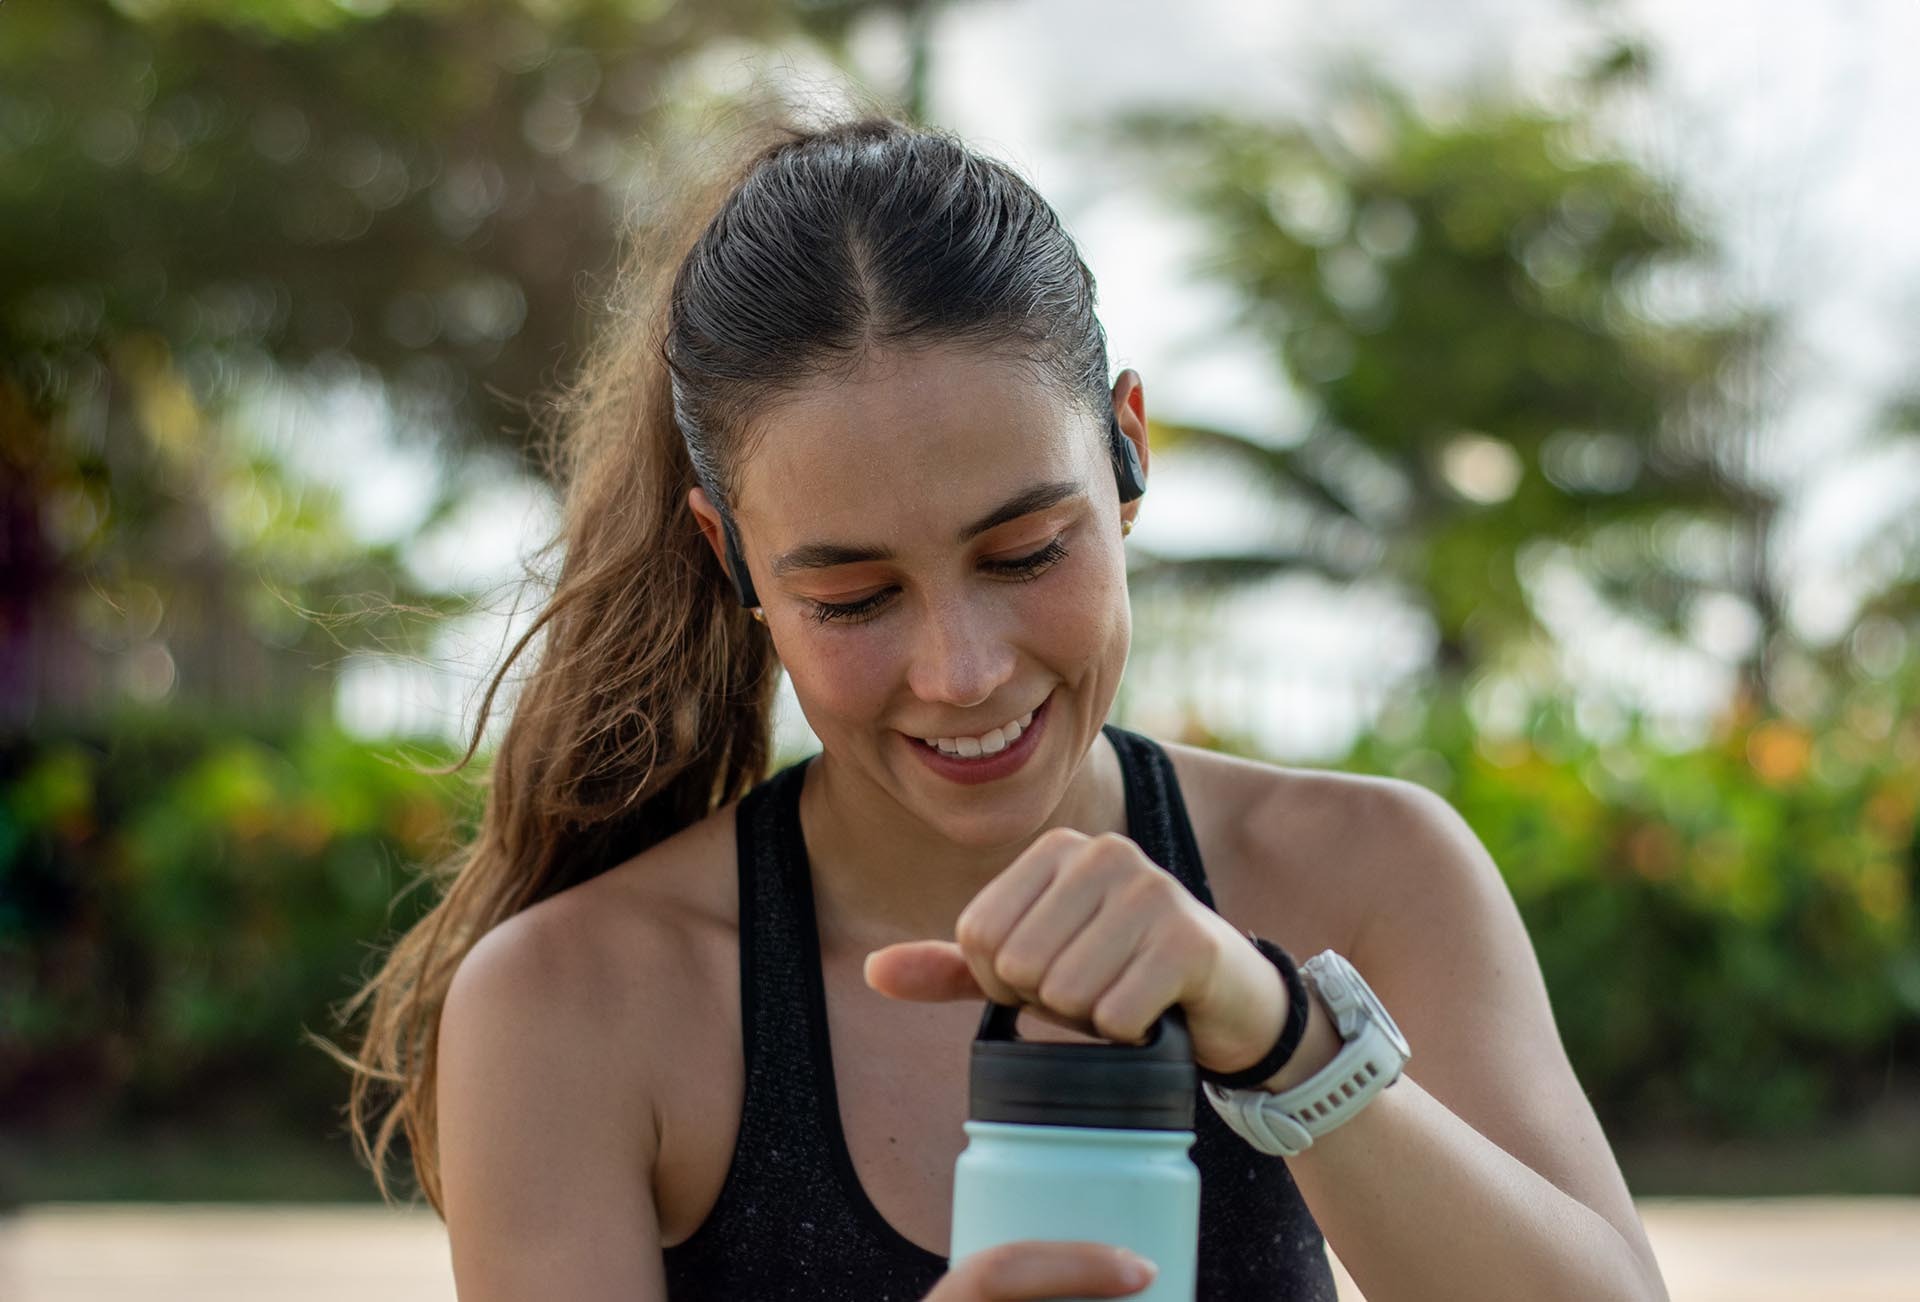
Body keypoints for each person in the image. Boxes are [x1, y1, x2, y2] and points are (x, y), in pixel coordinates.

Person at [334, 110, 1670, 1301]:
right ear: (730, 554)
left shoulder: (1370, 876)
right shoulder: (573, 1002)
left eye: (1027, 553)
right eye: (855, 596)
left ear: (1129, 447)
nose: (961, 670)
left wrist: (1280, 1034)